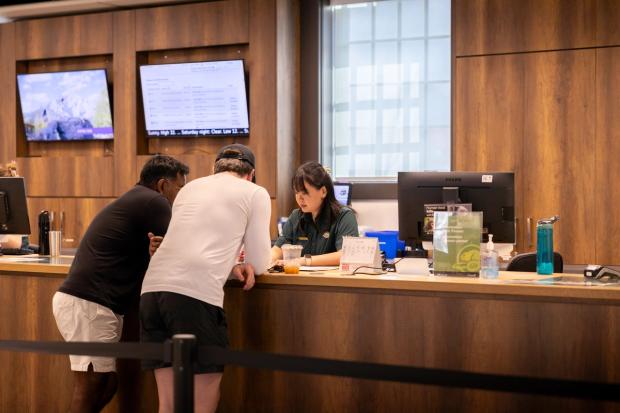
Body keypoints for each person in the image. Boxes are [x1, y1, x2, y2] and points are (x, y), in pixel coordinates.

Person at [52, 155, 189, 413]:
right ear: (162, 185)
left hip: (87, 303)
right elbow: (181, 246)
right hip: (90, 305)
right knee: (91, 386)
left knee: (106, 383)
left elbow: (161, 248)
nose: (182, 195)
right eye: (180, 187)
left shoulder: (138, 199)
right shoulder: (156, 201)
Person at [140, 143, 271, 413]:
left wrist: (231, 263)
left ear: (214, 169)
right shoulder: (255, 192)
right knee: (203, 399)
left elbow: (195, 239)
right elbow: (259, 263)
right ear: (251, 173)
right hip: (193, 296)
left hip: (152, 291)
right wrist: (241, 263)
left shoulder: (190, 188)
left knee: (168, 404)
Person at [271, 161, 359, 267]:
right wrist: (268, 259)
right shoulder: (296, 216)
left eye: (304, 192)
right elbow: (278, 249)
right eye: (296, 192)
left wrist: (304, 261)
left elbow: (346, 255)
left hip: (332, 282)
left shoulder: (344, 216)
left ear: (323, 192)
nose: (299, 198)